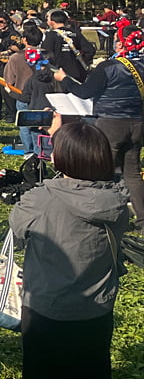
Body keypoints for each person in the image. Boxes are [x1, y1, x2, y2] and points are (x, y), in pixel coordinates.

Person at [9, 120, 131, 379]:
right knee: (95, 377)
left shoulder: (43, 198)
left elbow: (17, 231)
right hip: (97, 309)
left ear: (61, 159)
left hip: (47, 309)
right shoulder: (118, 198)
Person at [54, 24, 144, 230]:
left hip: (111, 122)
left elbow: (85, 92)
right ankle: (142, 221)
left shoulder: (108, 67)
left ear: (120, 43)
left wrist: (64, 79)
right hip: (138, 123)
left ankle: (105, 216)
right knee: (132, 173)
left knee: (103, 171)